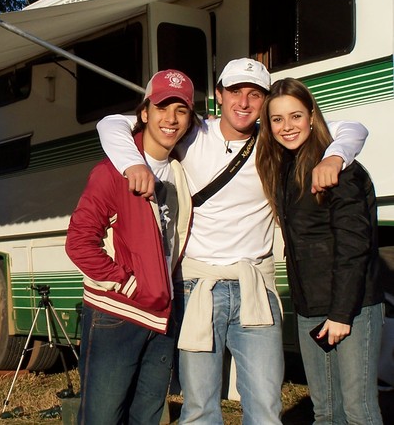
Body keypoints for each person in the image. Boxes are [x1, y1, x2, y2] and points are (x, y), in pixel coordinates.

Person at [96, 58, 368, 424]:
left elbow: (352, 128)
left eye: (254, 94)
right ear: (219, 96)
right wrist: (133, 163)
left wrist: (334, 157)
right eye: (235, 91)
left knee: (265, 408)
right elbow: (112, 123)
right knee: (200, 409)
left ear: (265, 101)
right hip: (197, 286)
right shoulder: (192, 133)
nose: (244, 102)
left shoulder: (273, 141)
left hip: (255, 285)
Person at [66, 70, 197, 424]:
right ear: (144, 113)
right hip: (116, 314)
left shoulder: (179, 172)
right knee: (103, 417)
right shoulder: (110, 173)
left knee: (148, 416)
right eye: (162, 107)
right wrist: (129, 283)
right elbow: (78, 243)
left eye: (180, 110)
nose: (170, 118)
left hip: (161, 316)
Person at [255, 77, 384, 425]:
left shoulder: (339, 170)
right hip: (310, 306)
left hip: (352, 308)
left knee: (359, 411)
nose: (287, 126)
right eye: (277, 119)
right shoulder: (283, 166)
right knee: (326, 412)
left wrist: (341, 314)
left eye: (295, 116)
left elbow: (354, 246)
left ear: (312, 115)